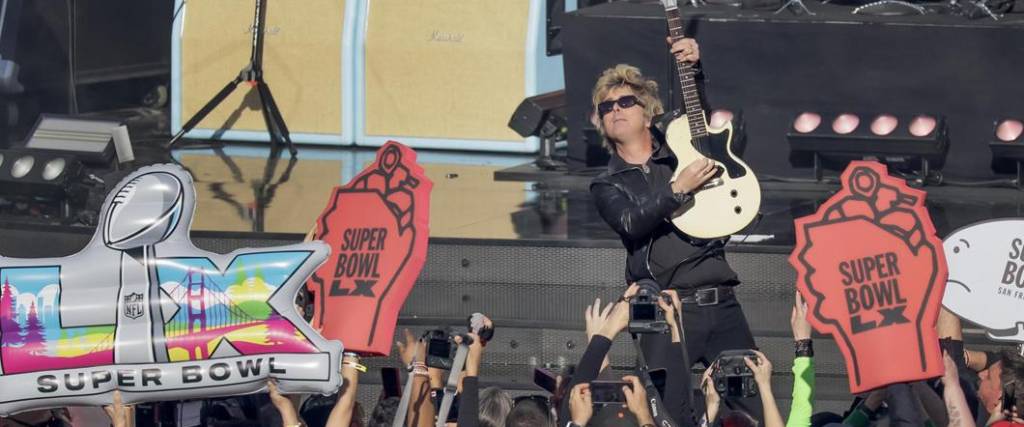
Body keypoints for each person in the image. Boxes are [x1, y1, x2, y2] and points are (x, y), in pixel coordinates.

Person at [588, 37, 759, 423]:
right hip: (665, 313)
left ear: (648, 114)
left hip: (722, 305)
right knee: (668, 415)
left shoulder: (682, 153)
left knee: (747, 411)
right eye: (606, 107)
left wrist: (693, 68)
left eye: (625, 102)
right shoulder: (608, 184)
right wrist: (677, 189)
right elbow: (631, 223)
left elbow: (698, 119)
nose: (615, 110)